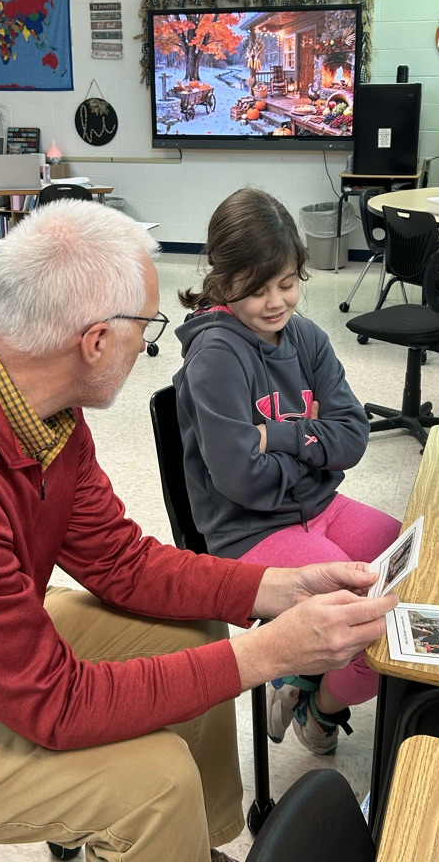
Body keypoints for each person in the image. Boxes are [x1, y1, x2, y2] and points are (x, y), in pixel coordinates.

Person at [0, 200, 398, 862]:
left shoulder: (39, 408)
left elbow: (125, 564)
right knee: (153, 785)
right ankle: (164, 838)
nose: (149, 348)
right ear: (94, 341)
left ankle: (190, 849)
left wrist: (277, 587)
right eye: (146, 330)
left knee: (189, 628)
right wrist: (271, 655)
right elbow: (53, 705)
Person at [173, 188, 402, 757]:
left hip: (316, 506)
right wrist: (313, 448)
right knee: (368, 628)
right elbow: (239, 479)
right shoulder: (216, 355)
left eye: (287, 283)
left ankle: (311, 694)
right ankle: (317, 706)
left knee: (404, 571)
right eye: (256, 289)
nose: (276, 302)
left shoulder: (306, 336)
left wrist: (278, 437)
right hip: (249, 530)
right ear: (222, 281)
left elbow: (353, 435)